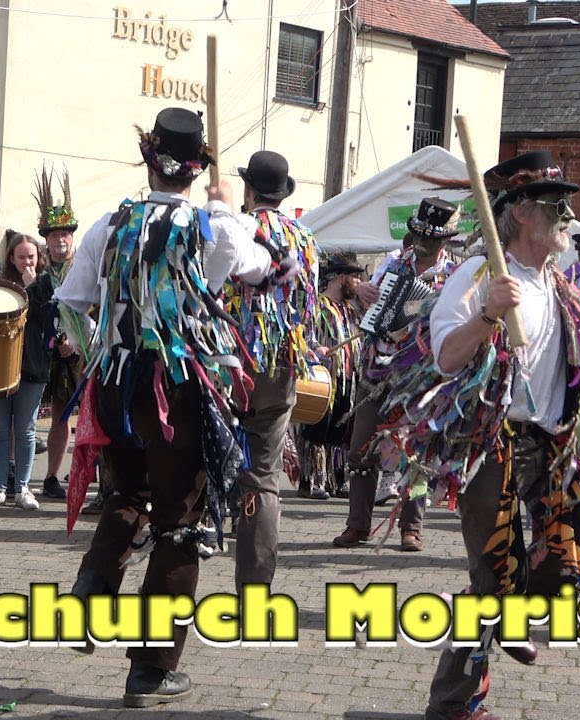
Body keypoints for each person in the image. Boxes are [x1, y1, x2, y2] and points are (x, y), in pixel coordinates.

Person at [56, 107, 282, 708]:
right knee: (181, 522)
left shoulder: (110, 222)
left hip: (116, 379)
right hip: (177, 388)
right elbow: (263, 267)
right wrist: (226, 208)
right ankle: (152, 670)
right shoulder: (212, 225)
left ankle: (91, 588)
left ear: (150, 162)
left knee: (127, 497)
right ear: (197, 168)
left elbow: (72, 300)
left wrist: (101, 354)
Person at [405, 151, 580, 720]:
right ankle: (455, 704)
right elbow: (445, 356)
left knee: (573, 559)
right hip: (494, 444)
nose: (568, 217)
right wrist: (484, 314)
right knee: (490, 576)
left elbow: (566, 363)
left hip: (556, 446)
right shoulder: (483, 274)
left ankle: (512, 613)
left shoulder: (558, 284)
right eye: (557, 206)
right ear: (521, 215)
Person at [332, 197, 462, 553]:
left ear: (445, 242)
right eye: (418, 235)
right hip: (378, 367)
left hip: (418, 375)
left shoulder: (453, 277)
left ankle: (411, 528)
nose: (422, 244)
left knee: (415, 451)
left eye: (430, 239)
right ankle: (357, 525)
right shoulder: (391, 264)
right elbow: (363, 302)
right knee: (360, 447)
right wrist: (361, 292)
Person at [222, 149, 320, 588]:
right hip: (281, 364)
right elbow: (308, 308)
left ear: (248, 189)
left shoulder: (238, 228)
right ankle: (255, 583)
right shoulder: (304, 237)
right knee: (263, 476)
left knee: (213, 457)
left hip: (232, 362)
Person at [0, 233, 54, 510]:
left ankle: (22, 487)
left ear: (39, 257)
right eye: (21, 257)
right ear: (11, 258)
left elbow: (46, 317)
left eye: (31, 256)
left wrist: (32, 286)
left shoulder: (46, 284)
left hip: (33, 367)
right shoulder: (2, 283)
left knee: (26, 429)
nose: (26, 261)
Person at [297, 252, 365, 500]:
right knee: (317, 428)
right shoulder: (317, 307)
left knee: (340, 429)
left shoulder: (351, 310)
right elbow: (302, 337)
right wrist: (316, 349)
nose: (358, 282)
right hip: (322, 379)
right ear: (340, 278)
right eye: (354, 277)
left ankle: (337, 479)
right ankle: (311, 480)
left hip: (347, 377)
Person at [35, 167, 80, 500]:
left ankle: (77, 475)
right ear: (45, 239)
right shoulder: (37, 274)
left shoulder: (84, 269)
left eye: (65, 234)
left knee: (71, 414)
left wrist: (73, 344)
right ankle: (33, 477)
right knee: (33, 416)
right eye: (54, 234)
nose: (60, 239)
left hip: (78, 354)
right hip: (43, 353)